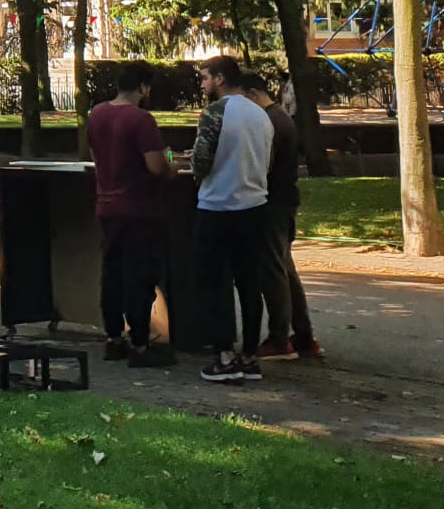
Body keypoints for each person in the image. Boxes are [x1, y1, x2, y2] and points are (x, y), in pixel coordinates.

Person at [191, 55, 276, 384]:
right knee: (250, 284)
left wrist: (197, 176)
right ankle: (251, 355)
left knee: (215, 283)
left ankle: (224, 355)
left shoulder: (215, 112)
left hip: (217, 207)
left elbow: (201, 159)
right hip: (254, 206)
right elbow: (267, 162)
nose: (202, 84)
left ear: (220, 79)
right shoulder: (261, 115)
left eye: (205, 77)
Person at [87, 60, 176, 367]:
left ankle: (113, 337)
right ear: (142, 87)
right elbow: (155, 165)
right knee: (140, 276)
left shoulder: (97, 114)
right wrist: (170, 161)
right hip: (140, 209)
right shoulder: (141, 120)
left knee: (112, 274)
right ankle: (140, 342)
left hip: (107, 207)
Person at [243, 73, 322, 361]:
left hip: (272, 204)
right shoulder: (279, 118)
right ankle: (303, 335)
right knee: (285, 270)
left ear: (252, 94)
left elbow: (265, 164)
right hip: (283, 202)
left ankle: (279, 338)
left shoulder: (269, 122)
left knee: (273, 271)